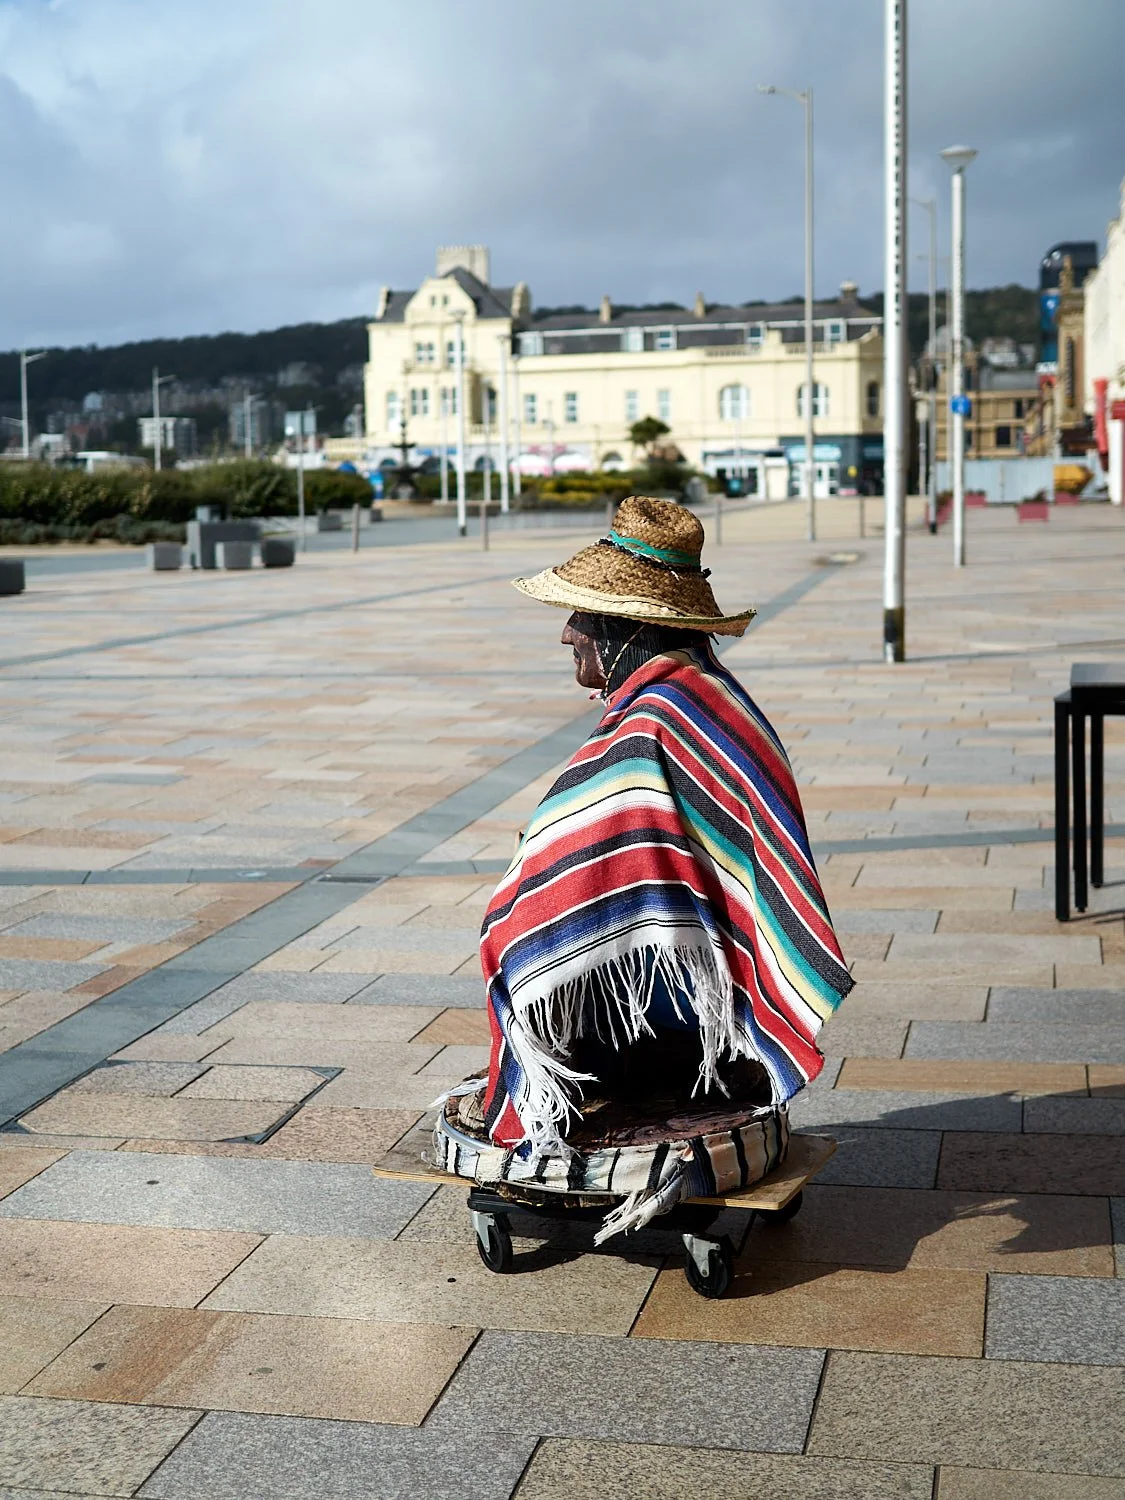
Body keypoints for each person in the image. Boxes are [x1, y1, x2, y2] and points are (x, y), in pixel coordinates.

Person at [433, 495, 852, 1239]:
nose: (566, 632)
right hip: (709, 1014)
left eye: (582, 616)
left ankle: (605, 1084)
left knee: (514, 941)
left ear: (627, 628)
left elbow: (561, 888)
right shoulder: (703, 690)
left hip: (691, 1019)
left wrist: (510, 929)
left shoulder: (655, 719)